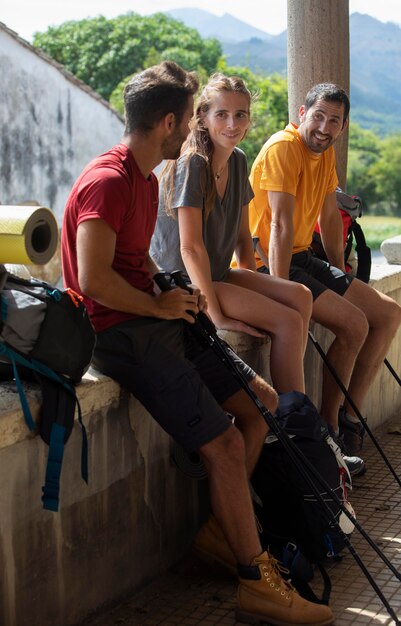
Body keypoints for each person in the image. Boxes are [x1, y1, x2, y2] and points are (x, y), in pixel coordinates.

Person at [61, 62, 333, 626]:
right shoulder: (108, 180)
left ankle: (220, 533)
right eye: (190, 118)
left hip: (158, 317)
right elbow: (93, 280)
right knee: (226, 445)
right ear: (169, 122)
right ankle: (255, 577)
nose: (194, 130)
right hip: (122, 336)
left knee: (262, 404)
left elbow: (135, 266)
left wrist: (169, 298)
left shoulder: (143, 176)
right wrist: (161, 304)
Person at [248, 82, 401, 471]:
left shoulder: (325, 153)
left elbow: (329, 216)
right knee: (353, 325)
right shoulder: (285, 148)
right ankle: (330, 434)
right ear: (302, 113)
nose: (324, 126)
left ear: (343, 126)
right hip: (269, 261)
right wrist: (280, 289)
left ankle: (351, 419)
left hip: (304, 255)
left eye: (334, 120)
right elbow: (279, 224)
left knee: (387, 314)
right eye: (318, 116)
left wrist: (340, 271)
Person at [152, 73, 312, 394]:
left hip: (218, 273)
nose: (232, 123)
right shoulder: (193, 163)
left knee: (300, 296)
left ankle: (287, 402)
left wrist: (257, 295)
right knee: (288, 321)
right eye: (222, 114)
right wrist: (216, 315)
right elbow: (190, 249)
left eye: (240, 114)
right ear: (203, 116)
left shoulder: (237, 161)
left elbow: (242, 238)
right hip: (183, 280)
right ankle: (294, 422)